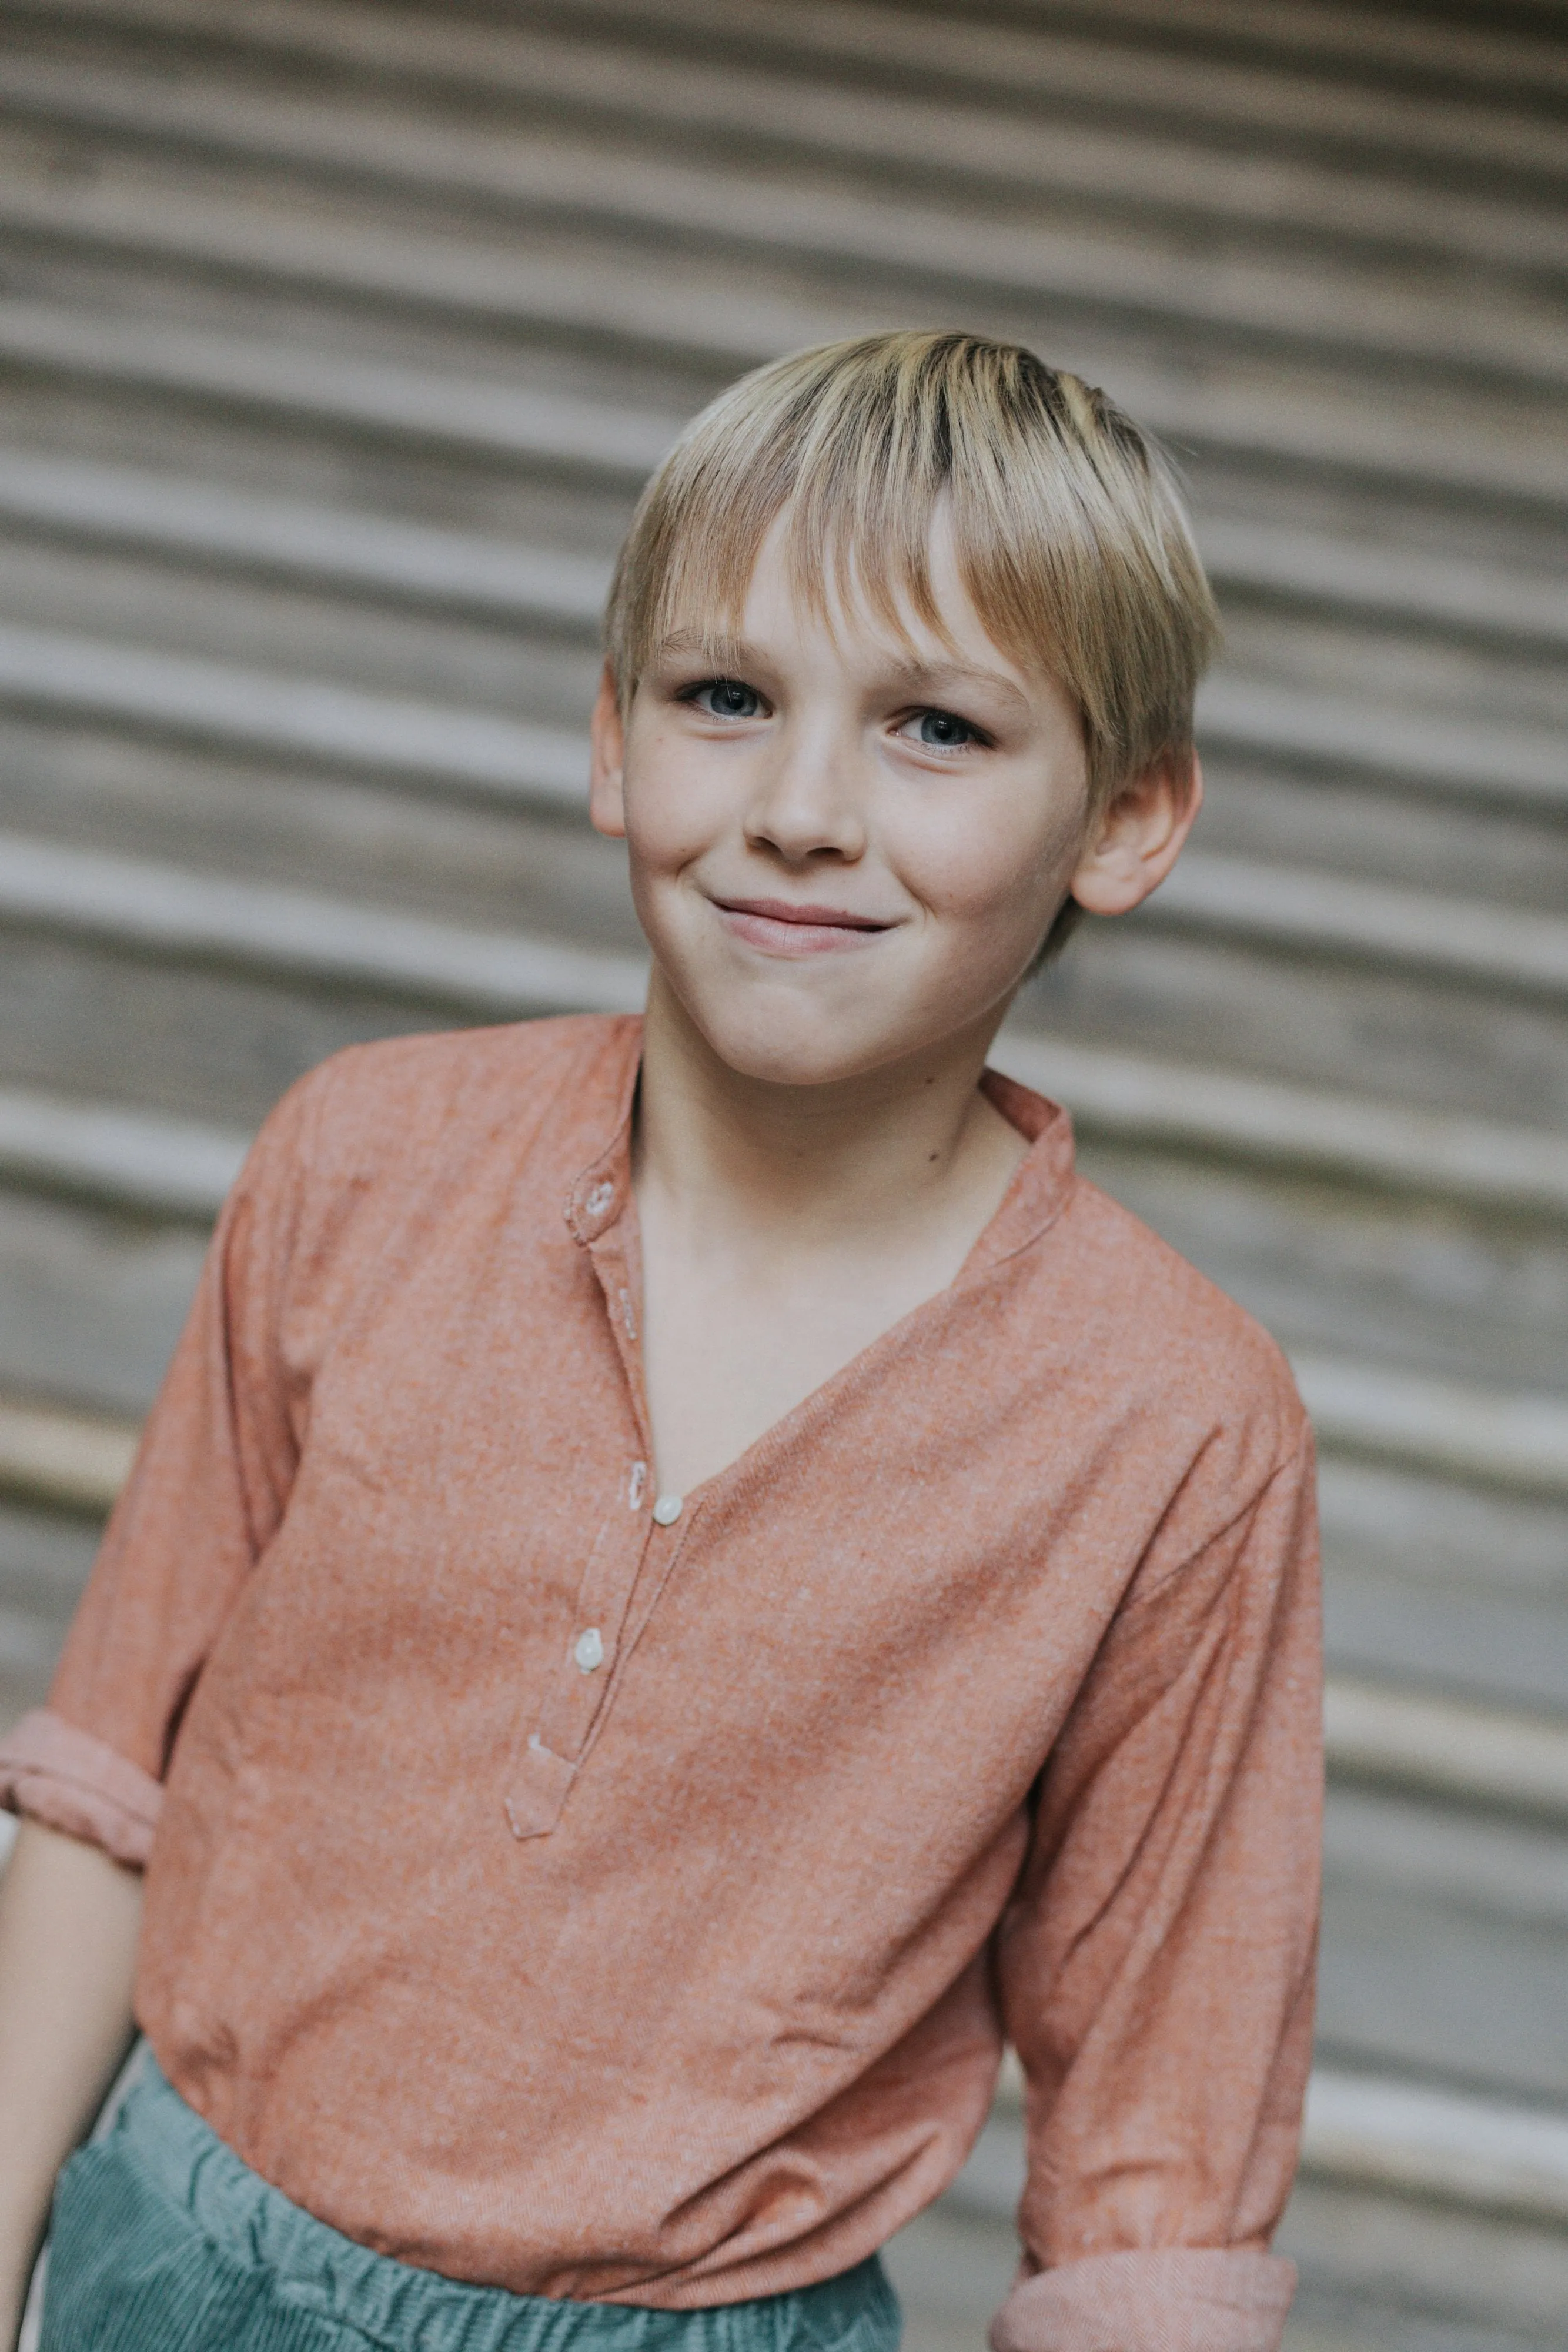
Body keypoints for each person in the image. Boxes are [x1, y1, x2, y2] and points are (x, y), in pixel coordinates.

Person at [0, 332, 1320, 2352]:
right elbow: (110, 1781)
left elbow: (1161, 2171)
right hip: (157, 2258)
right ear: (614, 740)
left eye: (936, 731)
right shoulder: (362, 1158)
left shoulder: (1175, 1428)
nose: (801, 809)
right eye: (727, 697)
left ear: (1125, 820)